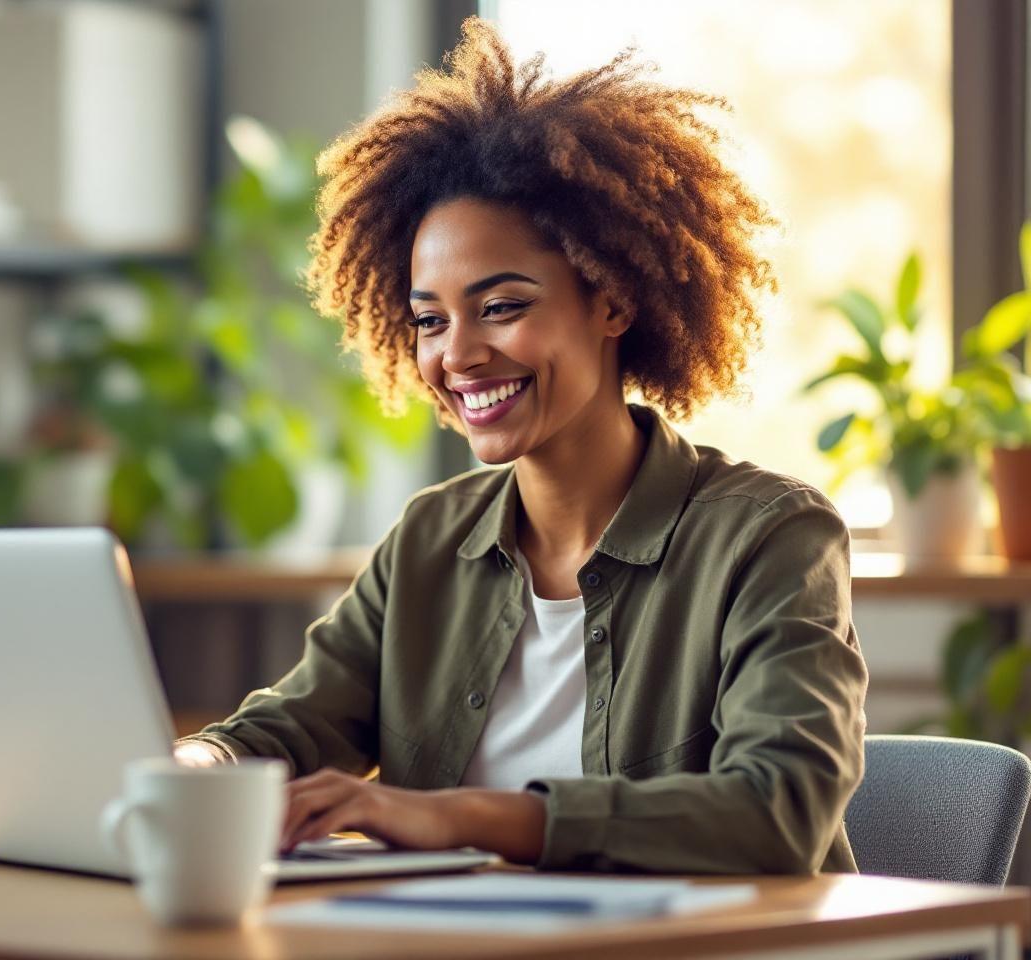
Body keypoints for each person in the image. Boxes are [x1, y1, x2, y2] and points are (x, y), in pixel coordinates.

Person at [174, 17, 867, 874]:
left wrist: (457, 817)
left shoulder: (768, 536)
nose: (456, 355)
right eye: (430, 320)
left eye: (501, 306)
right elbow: (293, 727)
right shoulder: (431, 540)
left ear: (611, 303)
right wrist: (195, 766)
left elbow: (779, 812)